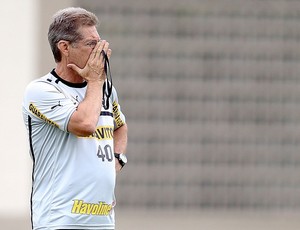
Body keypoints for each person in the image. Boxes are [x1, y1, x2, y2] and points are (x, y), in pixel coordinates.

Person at [22, 7, 128, 230]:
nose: (101, 51)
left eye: (100, 42)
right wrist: (96, 81)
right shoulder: (41, 91)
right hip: (60, 220)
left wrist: (117, 160)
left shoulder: (105, 90)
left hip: (103, 221)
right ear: (64, 47)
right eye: (92, 44)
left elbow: (120, 127)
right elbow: (85, 124)